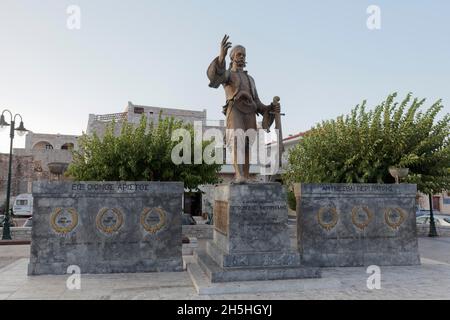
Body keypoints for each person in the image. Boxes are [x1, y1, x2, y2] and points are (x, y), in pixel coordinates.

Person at [207, 35, 281, 183]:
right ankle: (239, 175)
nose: (242, 57)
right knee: (237, 140)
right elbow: (217, 76)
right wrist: (221, 57)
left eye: (244, 55)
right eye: (239, 54)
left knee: (247, 143)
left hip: (250, 112)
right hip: (235, 109)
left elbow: (258, 103)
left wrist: (271, 108)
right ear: (232, 57)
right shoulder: (229, 75)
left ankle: (246, 176)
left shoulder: (250, 79)